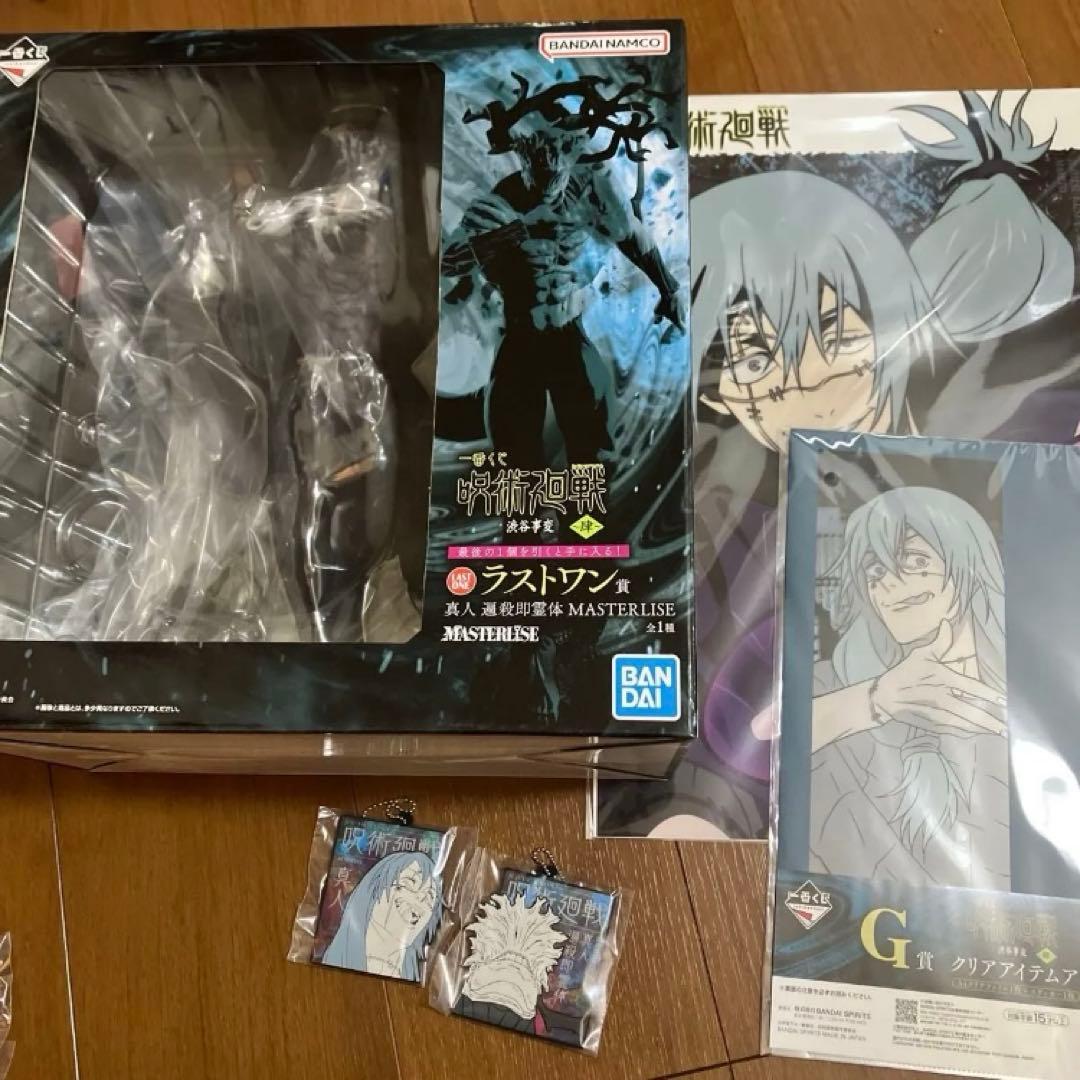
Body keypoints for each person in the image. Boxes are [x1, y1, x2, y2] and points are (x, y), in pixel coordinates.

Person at [808, 486, 1009, 889]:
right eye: (875, 572)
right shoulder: (832, 682)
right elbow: (767, 745)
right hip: (841, 911)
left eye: (916, 561)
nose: (888, 584)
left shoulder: (1028, 698)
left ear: (969, 569)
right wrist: (877, 700)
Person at [321, 851, 442, 981]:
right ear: (373, 890)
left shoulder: (418, 976)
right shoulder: (335, 962)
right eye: (408, 884)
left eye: (430, 897)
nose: (420, 899)